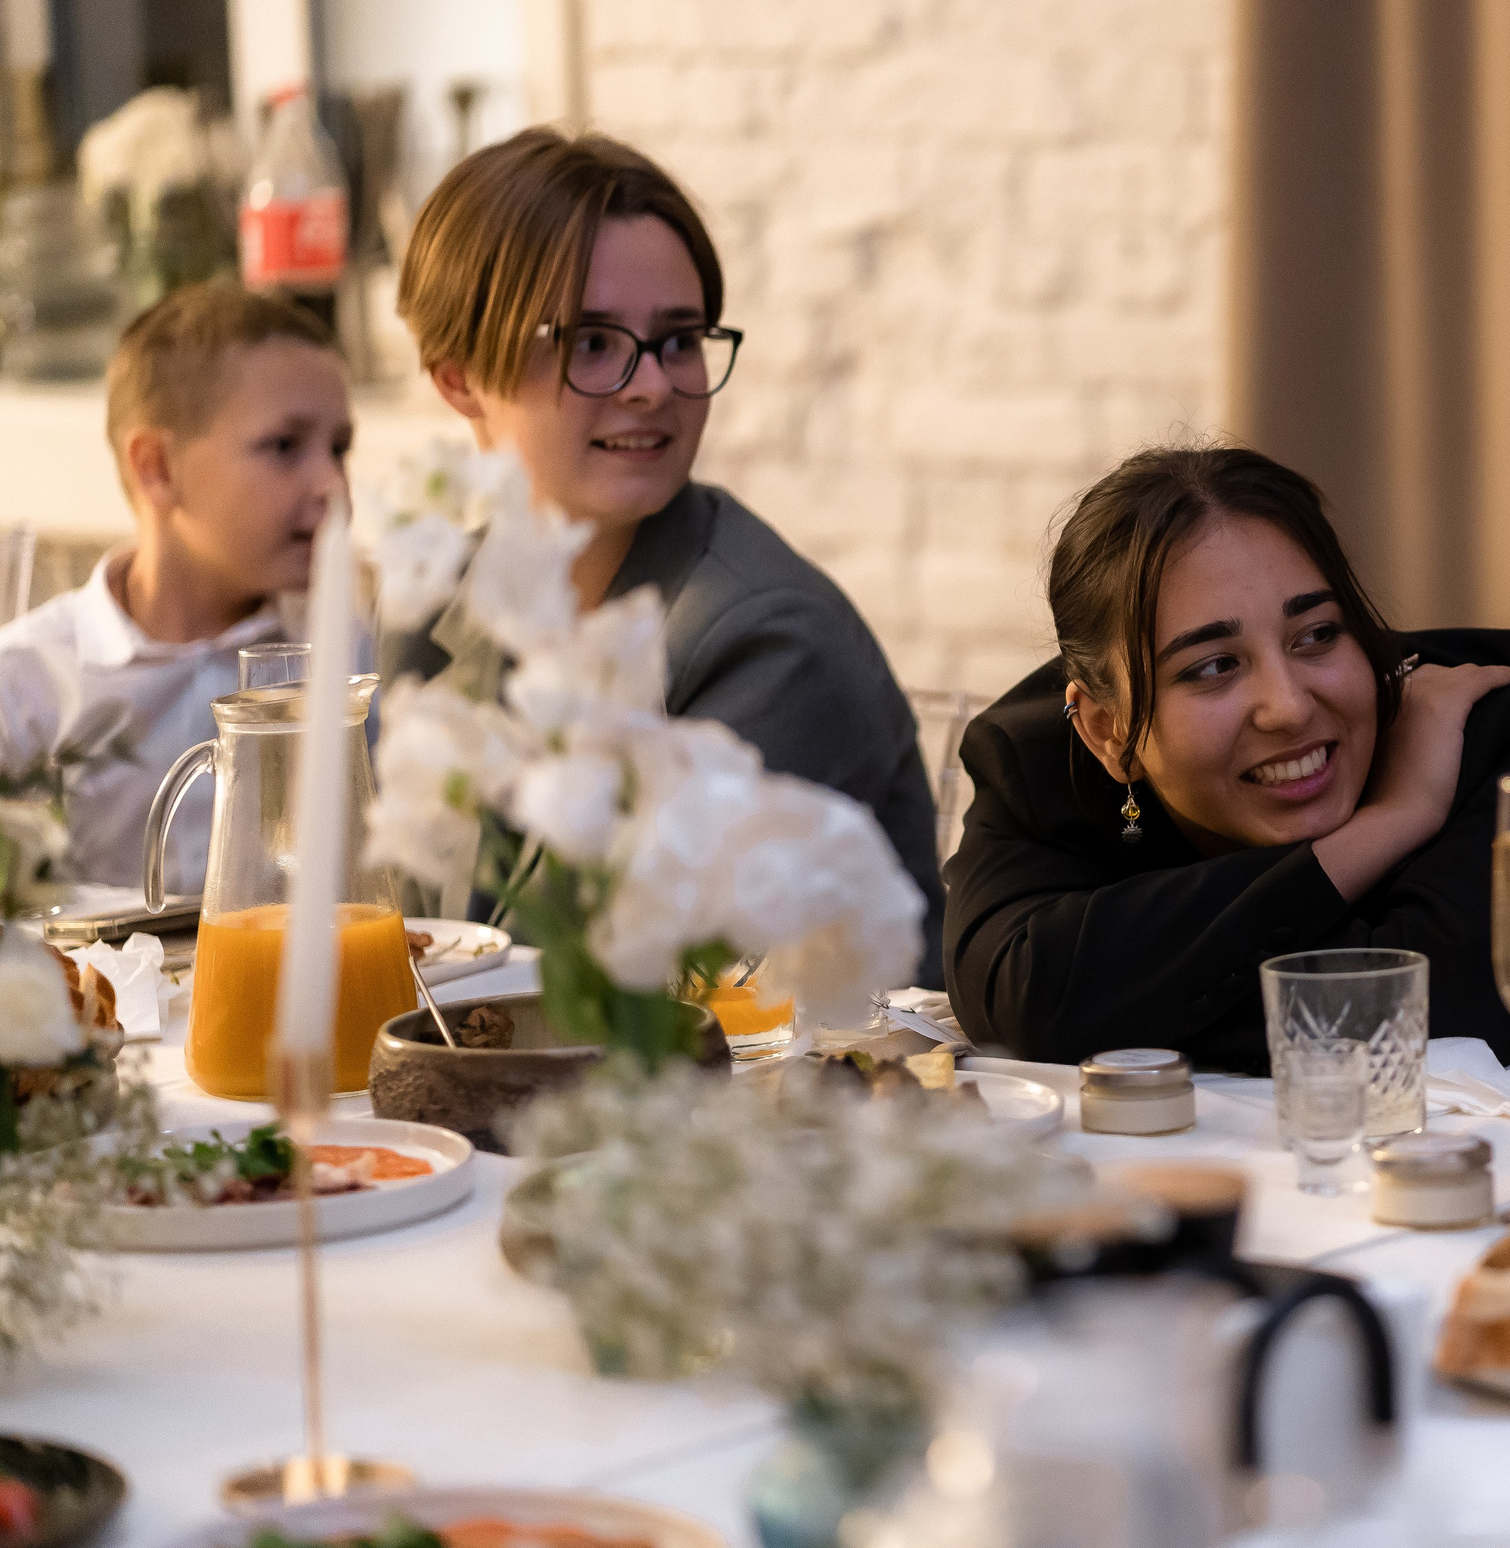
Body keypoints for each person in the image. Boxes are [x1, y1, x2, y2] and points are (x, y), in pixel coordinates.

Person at [387, 128, 945, 979]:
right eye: (592, 343)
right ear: (457, 376)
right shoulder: (436, 600)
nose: (653, 384)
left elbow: (608, 996)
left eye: (680, 339)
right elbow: (381, 925)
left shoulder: (769, 642)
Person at [944, 442, 1510, 1070]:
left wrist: (1123, 1008)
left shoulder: (1492, 713)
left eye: (1316, 634)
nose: (1289, 705)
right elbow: (1022, 992)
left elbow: (1450, 1009)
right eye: (1216, 665)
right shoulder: (1037, 758)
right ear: (1106, 731)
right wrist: (1393, 819)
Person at [0, 284, 351, 891]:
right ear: (156, 469)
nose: (332, 485)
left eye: (339, 448)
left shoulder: (348, 659)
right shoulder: (28, 680)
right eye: (285, 446)